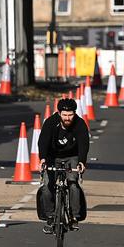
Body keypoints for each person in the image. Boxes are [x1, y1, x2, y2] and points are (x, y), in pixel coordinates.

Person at [37, 98, 89, 234]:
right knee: (47, 186)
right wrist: (42, 159)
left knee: (73, 184)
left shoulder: (80, 124)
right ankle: (50, 216)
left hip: (72, 156)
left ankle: (74, 216)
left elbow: (84, 144)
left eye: (70, 114)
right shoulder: (50, 123)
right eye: (64, 115)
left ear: (74, 113)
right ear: (59, 113)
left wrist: (82, 162)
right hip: (52, 156)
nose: (67, 118)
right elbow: (43, 141)